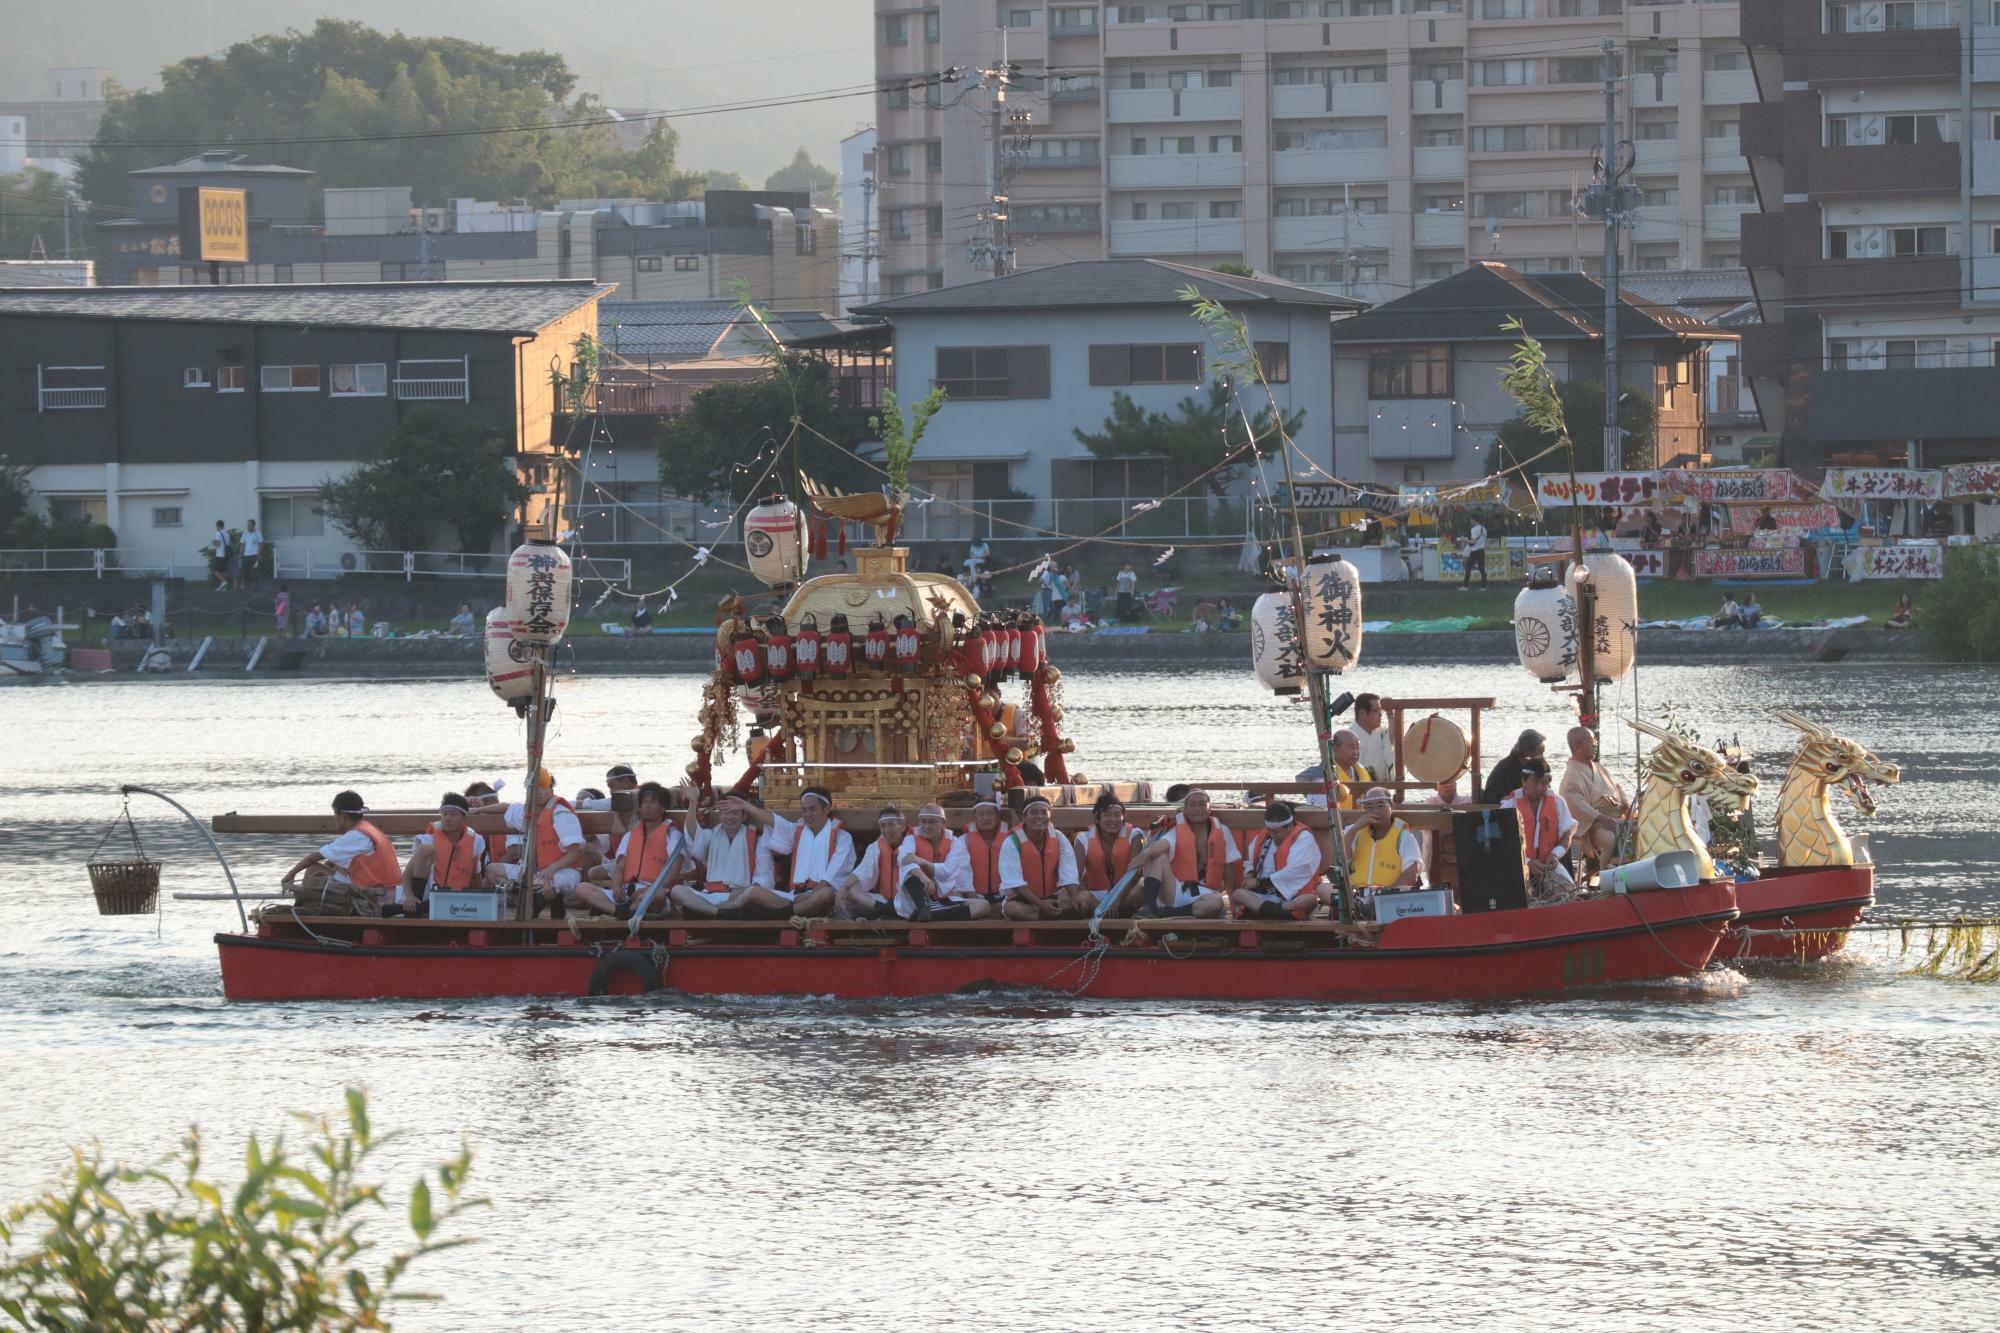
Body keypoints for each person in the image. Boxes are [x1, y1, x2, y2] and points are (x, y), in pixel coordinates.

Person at [491, 770, 616, 917]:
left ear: (551, 789)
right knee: (492, 870)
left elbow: (575, 851)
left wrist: (551, 869)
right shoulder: (528, 812)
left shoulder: (561, 813)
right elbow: (506, 808)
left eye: (542, 788)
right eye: (533, 789)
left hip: (565, 872)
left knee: (539, 884)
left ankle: (531, 907)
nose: (537, 793)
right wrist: (475, 809)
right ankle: (528, 898)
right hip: (537, 872)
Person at [281, 790, 402, 915]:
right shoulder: (366, 827)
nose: (335, 818)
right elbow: (332, 859)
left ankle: (305, 909)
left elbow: (313, 858)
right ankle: (310, 903)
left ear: (343, 816)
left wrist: (291, 874)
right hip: (389, 890)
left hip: (378, 896)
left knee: (313, 869)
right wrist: (327, 869)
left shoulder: (356, 835)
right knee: (333, 864)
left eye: (335, 814)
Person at [741, 786, 851, 918]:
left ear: (827, 809)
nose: (807, 814)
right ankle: (792, 912)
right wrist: (745, 806)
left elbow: (834, 874)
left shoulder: (842, 837)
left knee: (826, 894)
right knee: (755, 892)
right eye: (804, 810)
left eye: (812, 809)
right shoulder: (797, 830)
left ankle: (784, 914)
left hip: (819, 895)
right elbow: (774, 821)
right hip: (794, 897)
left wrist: (811, 894)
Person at [1134, 788, 1236, 918]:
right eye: (1192, 805)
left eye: (1202, 804)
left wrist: (1233, 904)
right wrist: (1145, 853)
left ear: (1209, 808)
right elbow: (1162, 844)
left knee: (1215, 903)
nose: (1197, 809)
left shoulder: (1223, 831)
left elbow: (1229, 869)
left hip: (1205, 894)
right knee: (1157, 857)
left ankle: (1165, 913)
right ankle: (1149, 907)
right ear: (1185, 810)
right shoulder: (1177, 829)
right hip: (1176, 889)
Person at [1233, 801, 1324, 921]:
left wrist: (1258, 883)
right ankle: (1280, 913)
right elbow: (1250, 862)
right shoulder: (1264, 836)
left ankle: (1263, 912)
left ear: (1290, 827)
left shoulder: (1304, 838)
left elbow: (1295, 872)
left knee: (1309, 900)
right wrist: (1249, 875)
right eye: (1270, 830)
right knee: (1239, 894)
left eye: (1276, 832)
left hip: (1293, 897)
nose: (1272, 835)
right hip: (1263, 896)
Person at [999, 797, 1087, 919]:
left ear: (1050, 816)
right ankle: (1055, 915)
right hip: (1024, 899)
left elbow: (1068, 874)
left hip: (1053, 896)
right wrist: (1041, 904)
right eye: (1033, 812)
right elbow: (1015, 883)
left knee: (1084, 899)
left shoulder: (1059, 837)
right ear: (1024, 817)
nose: (1039, 816)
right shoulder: (1012, 842)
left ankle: (1050, 913)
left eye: (1044, 812)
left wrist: (1073, 896)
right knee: (1013, 909)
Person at [401, 792, 489, 914]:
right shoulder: (427, 839)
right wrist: (409, 896)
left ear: (464, 817)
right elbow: (406, 874)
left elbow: (476, 876)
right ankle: (414, 908)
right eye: (444, 814)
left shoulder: (476, 842)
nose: (448, 818)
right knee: (425, 849)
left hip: (457, 901)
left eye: (453, 814)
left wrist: (478, 903)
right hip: (427, 897)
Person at [1559, 726, 1629, 875]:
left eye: (1595, 740)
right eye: (1592, 741)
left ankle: (1632, 872)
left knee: (1638, 831)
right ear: (1577, 747)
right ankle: (1606, 878)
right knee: (1610, 839)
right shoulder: (1572, 775)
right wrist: (1600, 817)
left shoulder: (1598, 767)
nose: (1595, 744)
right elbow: (1576, 804)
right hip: (1593, 825)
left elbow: (1615, 785)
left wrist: (1624, 801)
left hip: (1616, 818)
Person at [611, 781, 689, 917]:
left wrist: (649, 889)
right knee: (584, 889)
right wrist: (616, 887)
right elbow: (619, 868)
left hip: (656, 891)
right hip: (628, 890)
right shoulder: (630, 835)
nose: (647, 806)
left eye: (652, 802)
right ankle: (624, 911)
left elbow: (673, 874)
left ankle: (623, 911)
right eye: (644, 802)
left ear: (663, 807)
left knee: (655, 895)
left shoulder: (672, 836)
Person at [900, 804, 990, 921]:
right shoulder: (910, 839)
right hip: (917, 901)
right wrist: (923, 877)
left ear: (944, 823)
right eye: (923, 821)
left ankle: (932, 915)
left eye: (932, 822)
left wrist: (922, 861)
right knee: (908, 868)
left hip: (945, 900)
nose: (927, 826)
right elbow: (905, 860)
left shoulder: (955, 843)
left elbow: (948, 871)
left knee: (984, 906)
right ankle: (924, 909)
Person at [1343, 788, 1425, 911]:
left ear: (1391, 806)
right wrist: (1355, 828)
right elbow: (1340, 860)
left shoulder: (1404, 836)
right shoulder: (1354, 832)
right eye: (1369, 807)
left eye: (1381, 806)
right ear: (1364, 810)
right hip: (1355, 896)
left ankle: (1368, 906)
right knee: (1323, 888)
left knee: (1406, 889)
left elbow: (1410, 876)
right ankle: (1358, 906)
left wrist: (1382, 894)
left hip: (1389, 896)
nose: (1376, 811)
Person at [1508, 758, 1577, 901]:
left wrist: (1555, 854)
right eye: (1535, 783)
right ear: (1524, 781)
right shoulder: (1509, 805)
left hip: (1548, 864)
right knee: (1521, 899)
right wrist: (1527, 862)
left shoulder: (1558, 802)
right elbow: (1504, 844)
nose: (1540, 788)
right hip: (1519, 865)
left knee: (1568, 894)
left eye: (1544, 783)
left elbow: (1567, 834)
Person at [835, 807, 922, 920]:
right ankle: (887, 910)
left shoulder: (914, 842)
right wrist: (842, 889)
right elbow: (863, 870)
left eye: (891, 825)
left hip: (910, 902)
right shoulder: (876, 846)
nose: (886, 830)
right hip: (884, 901)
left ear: (902, 826)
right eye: (883, 826)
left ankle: (885, 912)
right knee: (851, 890)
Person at [1074, 793, 1146, 916]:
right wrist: (1094, 901)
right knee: (1080, 898)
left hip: (1124, 893)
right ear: (1097, 818)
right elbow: (1075, 876)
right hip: (1095, 894)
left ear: (1123, 817)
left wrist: (1117, 898)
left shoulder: (1134, 835)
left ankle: (1114, 912)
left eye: (1118, 815)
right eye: (1107, 815)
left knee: (1142, 889)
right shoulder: (1083, 839)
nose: (1113, 820)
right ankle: (1104, 911)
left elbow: (1136, 872)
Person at [960, 798, 1011, 907]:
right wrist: (970, 894)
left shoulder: (1010, 839)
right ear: (975, 818)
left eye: (990, 814)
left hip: (1005, 895)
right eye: (980, 814)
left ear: (998, 816)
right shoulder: (963, 840)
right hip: (974, 895)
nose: (985, 818)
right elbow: (962, 871)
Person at [1339, 692, 1396, 781]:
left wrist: (1390, 714)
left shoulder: (1381, 733)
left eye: (1380, 710)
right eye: (1376, 711)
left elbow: (1393, 739)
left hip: (1382, 789)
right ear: (1362, 713)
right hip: (1359, 790)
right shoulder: (1348, 737)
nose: (1380, 714)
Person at [1480, 729, 1546, 806]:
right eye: (1537, 755)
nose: (1541, 758)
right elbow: (1489, 799)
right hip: (1510, 813)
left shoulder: (1542, 766)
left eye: (1542, 754)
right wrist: (1508, 799)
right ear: (1526, 754)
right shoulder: (1504, 768)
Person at [1461, 519, 1488, 585]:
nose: (1470, 522)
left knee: (1468, 568)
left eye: (1471, 520)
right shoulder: (1484, 529)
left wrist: (1465, 540)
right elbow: (1486, 541)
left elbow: (1473, 542)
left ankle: (1465, 586)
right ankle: (1483, 587)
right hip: (1481, 551)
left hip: (1474, 551)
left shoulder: (1474, 529)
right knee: (1482, 569)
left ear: (1474, 520)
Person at [239, 518, 263, 587]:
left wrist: (259, 554)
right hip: (246, 555)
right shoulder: (245, 533)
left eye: (249, 524)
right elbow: (242, 544)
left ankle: (254, 583)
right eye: (247, 524)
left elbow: (261, 544)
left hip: (255, 555)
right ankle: (242, 584)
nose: (248, 526)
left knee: (254, 569)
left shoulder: (257, 533)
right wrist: (241, 554)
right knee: (243, 570)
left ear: (253, 525)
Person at [209, 520, 231, 590]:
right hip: (226, 554)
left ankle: (223, 582)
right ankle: (224, 587)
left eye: (216, 526)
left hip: (220, 554)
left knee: (216, 570)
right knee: (223, 570)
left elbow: (218, 544)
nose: (216, 528)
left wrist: (213, 543)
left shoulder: (218, 533)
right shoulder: (227, 533)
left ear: (218, 526)